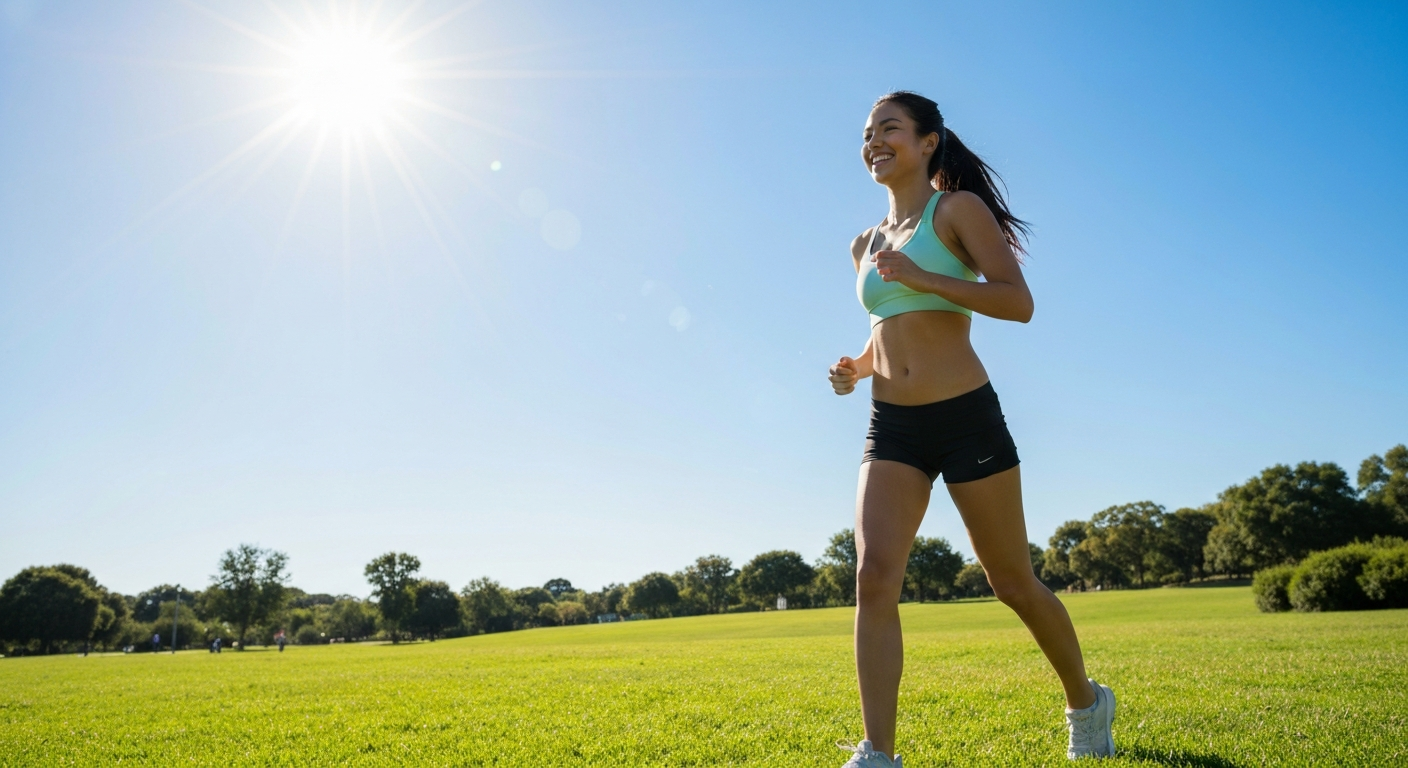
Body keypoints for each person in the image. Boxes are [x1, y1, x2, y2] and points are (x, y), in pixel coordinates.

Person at [828, 92, 1116, 766]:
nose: (873, 142)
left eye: (889, 129)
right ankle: (877, 753)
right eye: (867, 133)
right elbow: (889, 326)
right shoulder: (863, 244)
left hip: (964, 417)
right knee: (873, 576)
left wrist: (928, 277)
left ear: (928, 141)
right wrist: (857, 369)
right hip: (891, 427)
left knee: (1012, 581)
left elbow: (1017, 302)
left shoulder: (956, 210)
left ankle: (1086, 703)